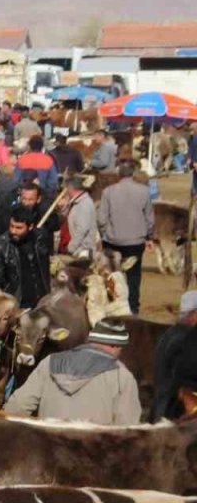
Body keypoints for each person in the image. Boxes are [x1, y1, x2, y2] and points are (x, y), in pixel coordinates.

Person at [4, 319, 141, 425]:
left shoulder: (50, 362)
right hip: (92, 455)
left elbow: (16, 407)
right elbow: (128, 428)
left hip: (48, 450)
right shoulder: (121, 375)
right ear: (115, 346)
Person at [97, 163, 152, 314]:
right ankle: (133, 307)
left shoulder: (108, 192)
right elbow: (149, 218)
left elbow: (101, 219)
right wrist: (148, 235)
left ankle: (113, 304)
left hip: (113, 240)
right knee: (134, 276)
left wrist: (105, 233)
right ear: (133, 174)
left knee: (112, 274)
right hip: (136, 240)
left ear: (118, 175)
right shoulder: (144, 191)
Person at [0, 206, 51, 309]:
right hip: (17, 303)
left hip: (42, 301)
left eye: (19, 228)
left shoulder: (40, 239)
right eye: (11, 226)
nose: (13, 231)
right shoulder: (0, 246)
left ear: (30, 227)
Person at [152, 291, 197, 421]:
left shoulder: (171, 333)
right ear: (193, 313)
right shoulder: (187, 339)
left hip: (162, 403)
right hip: (175, 409)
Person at [63, 174, 100, 258]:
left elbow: (82, 229)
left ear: (70, 188)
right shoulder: (77, 202)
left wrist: (71, 248)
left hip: (83, 251)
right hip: (79, 249)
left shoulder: (84, 204)